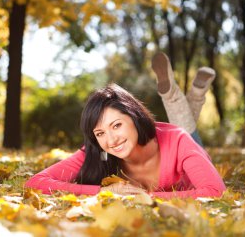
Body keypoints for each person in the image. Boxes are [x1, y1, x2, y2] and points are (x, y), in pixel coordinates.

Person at [25, 53, 225, 199]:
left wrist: (141, 198)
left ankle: (187, 95)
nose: (111, 140)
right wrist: (102, 192)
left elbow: (215, 192)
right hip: (172, 140)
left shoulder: (178, 140)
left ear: (134, 116)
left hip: (179, 140)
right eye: (100, 132)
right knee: (186, 123)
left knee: (186, 129)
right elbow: (35, 183)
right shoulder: (98, 151)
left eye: (117, 125)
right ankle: (196, 95)